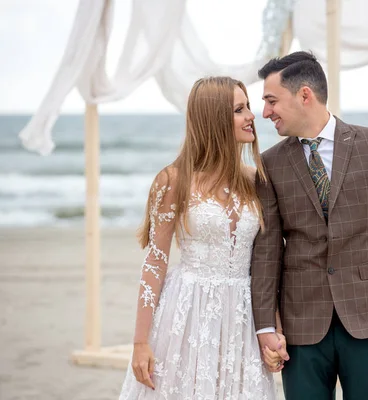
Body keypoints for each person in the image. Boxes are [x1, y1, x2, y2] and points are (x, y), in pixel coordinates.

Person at [251, 51, 368, 399]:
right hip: (301, 327)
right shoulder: (269, 165)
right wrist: (266, 324)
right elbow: (267, 253)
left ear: (304, 95)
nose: (265, 112)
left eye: (271, 100)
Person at [119, 76, 281, 399]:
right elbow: (154, 264)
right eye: (239, 109)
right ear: (214, 118)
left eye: (248, 106)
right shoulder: (173, 180)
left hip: (241, 319)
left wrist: (274, 327)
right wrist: (140, 343)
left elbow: (268, 263)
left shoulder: (256, 180)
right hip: (187, 314)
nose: (251, 115)